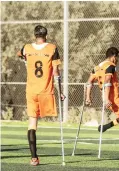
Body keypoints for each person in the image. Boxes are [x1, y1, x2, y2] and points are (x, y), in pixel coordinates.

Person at [17, 25, 65, 166]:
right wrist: (60, 91)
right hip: (46, 91)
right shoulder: (52, 48)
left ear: (34, 35)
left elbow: (19, 53)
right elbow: (56, 71)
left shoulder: (27, 47)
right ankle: (35, 157)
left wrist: (25, 58)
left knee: (32, 124)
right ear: (46, 36)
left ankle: (34, 158)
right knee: (50, 120)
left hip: (31, 91)